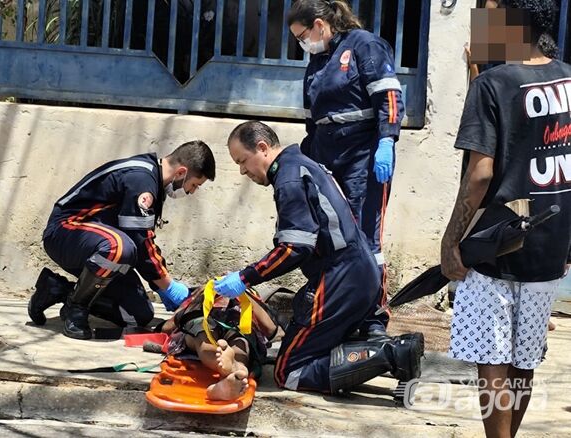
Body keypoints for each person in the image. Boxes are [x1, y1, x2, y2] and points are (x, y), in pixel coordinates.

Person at [215, 121, 422, 394]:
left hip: (340, 279)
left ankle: (393, 354)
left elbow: (294, 248)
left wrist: (245, 277)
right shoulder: (302, 165)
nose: (243, 171)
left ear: (262, 148)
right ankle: (388, 353)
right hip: (357, 274)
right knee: (308, 348)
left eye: (242, 161)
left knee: (289, 372)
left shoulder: (289, 178)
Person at [440, 1, 570, 436]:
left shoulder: (493, 85)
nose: (482, 22)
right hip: (551, 242)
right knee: (525, 356)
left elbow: (480, 174)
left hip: (497, 241)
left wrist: (451, 241)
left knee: (493, 357)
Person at [287, 0, 405, 338]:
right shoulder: (318, 60)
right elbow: (312, 118)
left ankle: (373, 318)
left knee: (366, 238)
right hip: (326, 153)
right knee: (330, 237)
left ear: (320, 25)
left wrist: (387, 140)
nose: (303, 43)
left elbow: (389, 96)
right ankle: (339, 310)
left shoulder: (364, 45)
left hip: (363, 156)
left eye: (302, 36)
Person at [29, 141, 216, 340]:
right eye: (194, 185)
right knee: (119, 247)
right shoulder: (141, 180)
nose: (191, 192)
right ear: (181, 172)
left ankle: (58, 290)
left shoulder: (153, 183)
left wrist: (161, 285)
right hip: (66, 231)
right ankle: (76, 308)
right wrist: (167, 286)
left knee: (138, 314)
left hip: (99, 244)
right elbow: (140, 241)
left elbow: (143, 242)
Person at [159, 286, 282, 401]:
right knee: (226, 340)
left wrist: (243, 293)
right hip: (213, 321)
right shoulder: (204, 291)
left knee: (226, 341)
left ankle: (232, 370)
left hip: (232, 324)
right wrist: (201, 295)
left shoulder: (250, 296)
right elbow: (271, 330)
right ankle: (236, 368)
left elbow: (167, 327)